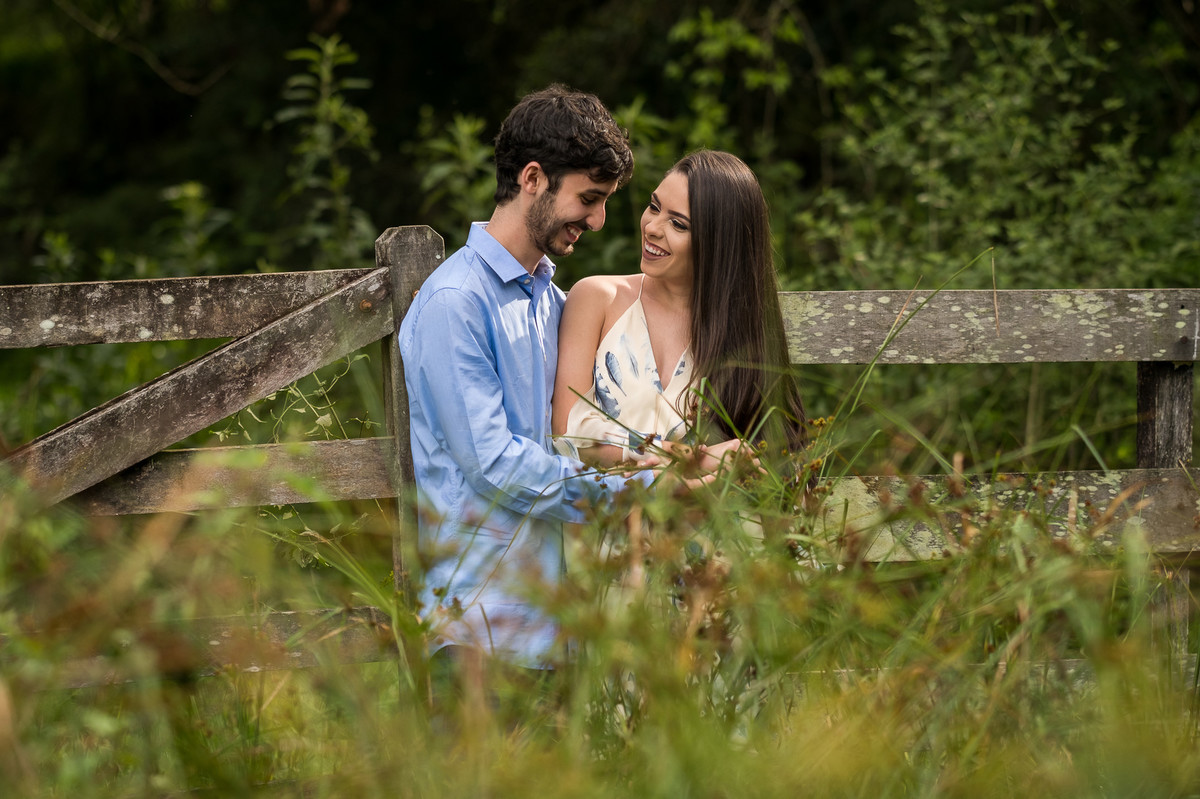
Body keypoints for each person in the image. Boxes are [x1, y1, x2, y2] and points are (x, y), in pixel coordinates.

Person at [399, 85, 683, 676]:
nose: (600, 221)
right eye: (589, 198)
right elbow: (495, 465)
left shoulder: (555, 304)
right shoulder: (457, 302)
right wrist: (639, 493)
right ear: (533, 178)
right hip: (481, 626)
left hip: (561, 628)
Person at [552, 149, 808, 475]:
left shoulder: (740, 331)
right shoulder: (597, 298)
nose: (653, 227)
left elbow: (773, 457)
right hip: (606, 512)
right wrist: (686, 456)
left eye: (678, 224)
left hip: (702, 515)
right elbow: (566, 432)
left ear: (718, 242)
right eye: (654, 207)